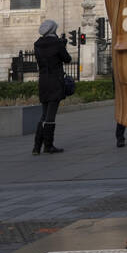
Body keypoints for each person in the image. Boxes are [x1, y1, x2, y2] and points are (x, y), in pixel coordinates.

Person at [32, 19, 71, 154]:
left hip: (43, 81)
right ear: (53, 30)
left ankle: (37, 147)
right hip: (55, 81)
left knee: (44, 113)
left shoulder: (37, 45)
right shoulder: (57, 43)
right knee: (50, 116)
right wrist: (62, 46)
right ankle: (48, 145)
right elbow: (67, 59)